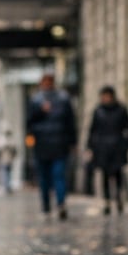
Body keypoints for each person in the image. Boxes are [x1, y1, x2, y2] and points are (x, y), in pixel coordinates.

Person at [26, 71, 77, 218]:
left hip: (59, 144)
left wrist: (72, 142)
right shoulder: (36, 101)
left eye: (49, 81)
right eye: (45, 81)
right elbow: (29, 122)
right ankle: (46, 206)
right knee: (44, 177)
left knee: (58, 175)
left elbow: (70, 123)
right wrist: (41, 112)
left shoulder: (63, 99)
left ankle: (60, 203)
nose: (47, 84)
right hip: (42, 145)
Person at [86, 85, 128, 215]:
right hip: (102, 148)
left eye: (107, 96)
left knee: (117, 174)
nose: (105, 98)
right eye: (103, 96)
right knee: (105, 176)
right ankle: (107, 201)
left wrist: (126, 145)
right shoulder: (98, 111)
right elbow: (92, 130)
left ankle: (118, 197)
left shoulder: (121, 110)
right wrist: (91, 147)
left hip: (117, 148)